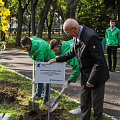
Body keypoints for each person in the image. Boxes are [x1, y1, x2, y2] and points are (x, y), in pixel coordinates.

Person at [49, 18, 110, 120]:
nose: (68, 35)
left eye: (68, 32)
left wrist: (92, 79)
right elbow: (72, 52)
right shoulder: (76, 36)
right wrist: (57, 59)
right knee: (85, 103)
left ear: (75, 27)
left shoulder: (91, 36)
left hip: (97, 76)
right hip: (85, 75)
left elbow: (99, 61)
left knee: (96, 107)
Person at [49, 39, 81, 114]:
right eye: (53, 51)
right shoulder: (66, 43)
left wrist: (69, 81)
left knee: (86, 87)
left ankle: (83, 108)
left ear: (60, 46)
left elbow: (77, 68)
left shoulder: (68, 54)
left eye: (56, 50)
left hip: (91, 66)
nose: (55, 52)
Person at [21, 36, 55, 104]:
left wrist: (36, 77)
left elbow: (40, 67)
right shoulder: (30, 40)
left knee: (46, 77)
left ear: (30, 43)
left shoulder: (38, 51)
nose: (26, 49)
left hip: (49, 57)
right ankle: (38, 94)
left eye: (27, 47)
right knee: (40, 76)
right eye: (24, 47)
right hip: (42, 55)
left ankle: (46, 98)